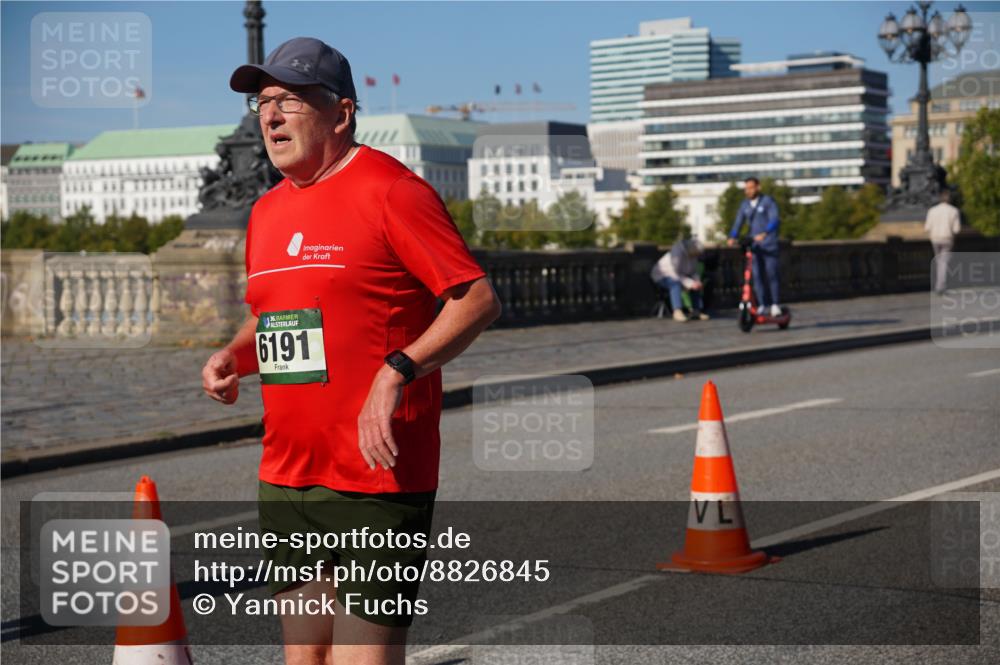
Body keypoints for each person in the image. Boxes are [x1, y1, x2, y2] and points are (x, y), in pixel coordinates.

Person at [200, 37, 501, 665]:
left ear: (341, 113)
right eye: (264, 101)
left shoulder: (392, 191)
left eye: (290, 101)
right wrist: (234, 354)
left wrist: (398, 371)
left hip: (377, 477)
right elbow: (273, 317)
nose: (271, 116)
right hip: (286, 473)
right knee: (304, 661)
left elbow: (475, 300)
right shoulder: (266, 211)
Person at [727, 177, 782, 317]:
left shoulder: (768, 201)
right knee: (757, 276)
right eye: (746, 188)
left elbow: (774, 219)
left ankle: (775, 304)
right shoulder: (745, 205)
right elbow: (738, 222)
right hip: (755, 246)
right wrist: (732, 236)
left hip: (768, 245)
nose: (748, 191)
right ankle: (762, 304)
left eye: (751, 188)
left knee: (771, 274)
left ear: (758, 187)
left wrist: (765, 233)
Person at [650, 238, 709, 322]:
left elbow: (694, 271)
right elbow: (675, 274)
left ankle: (697, 310)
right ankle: (677, 311)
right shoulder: (677, 254)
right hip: (663, 276)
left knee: (696, 286)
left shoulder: (693, 255)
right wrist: (690, 283)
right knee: (675, 284)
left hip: (680, 276)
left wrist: (697, 281)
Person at [924, 189, 961, 295]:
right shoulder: (954, 211)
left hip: (935, 238)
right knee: (943, 262)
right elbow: (956, 229)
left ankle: (939, 285)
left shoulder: (932, 210)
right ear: (949, 199)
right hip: (947, 238)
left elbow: (927, 227)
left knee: (939, 261)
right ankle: (940, 286)